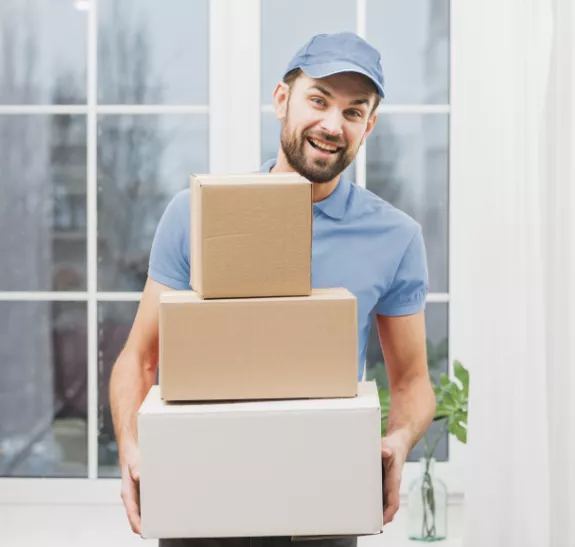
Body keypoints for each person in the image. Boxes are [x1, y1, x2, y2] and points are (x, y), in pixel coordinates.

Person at [109, 31, 436, 547]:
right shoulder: (196, 214)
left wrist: (396, 441)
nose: (332, 125)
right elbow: (139, 359)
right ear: (282, 101)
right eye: (319, 100)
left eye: (353, 112)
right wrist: (131, 445)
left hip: (322, 503)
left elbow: (413, 382)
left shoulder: (395, 237)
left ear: (368, 127)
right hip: (201, 492)